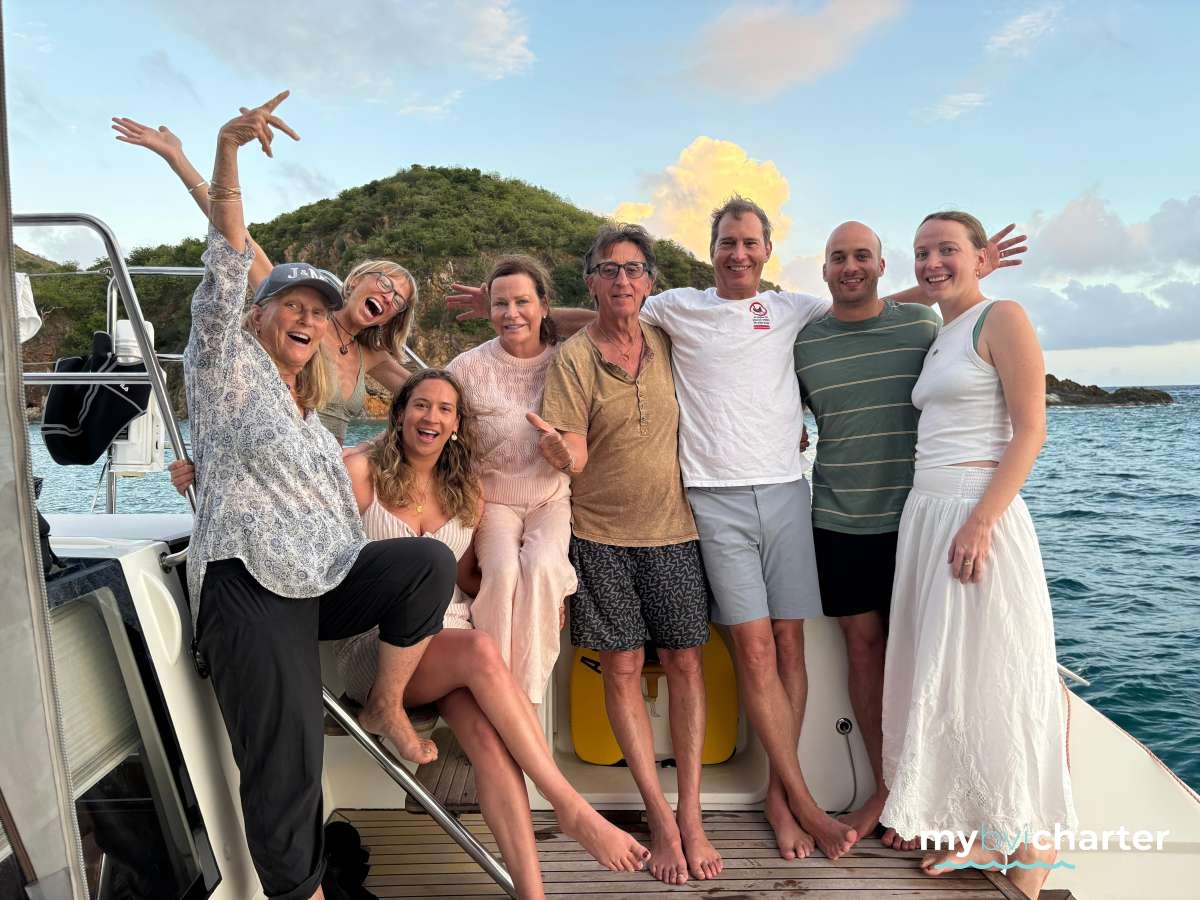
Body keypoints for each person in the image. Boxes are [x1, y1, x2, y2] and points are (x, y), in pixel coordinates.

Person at [449, 198, 1024, 861]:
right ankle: (800, 802)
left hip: (786, 494)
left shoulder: (791, 309)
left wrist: (954, 277)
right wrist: (524, 315)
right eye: (728, 241)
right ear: (712, 249)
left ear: (767, 251)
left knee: (790, 646)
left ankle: (782, 799)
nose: (739, 252)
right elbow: (607, 310)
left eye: (750, 242)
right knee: (752, 651)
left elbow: (860, 298)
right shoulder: (677, 309)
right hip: (708, 502)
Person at [185, 93, 455, 900]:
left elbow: (416, 413)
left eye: (318, 313)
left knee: (425, 565)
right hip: (249, 584)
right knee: (289, 757)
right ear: (259, 315)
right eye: (293, 307)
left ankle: (386, 705)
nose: (308, 319)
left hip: (321, 578)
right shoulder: (226, 366)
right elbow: (226, 257)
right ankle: (299, 892)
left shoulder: (305, 406)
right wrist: (225, 152)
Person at [335, 370, 650, 898]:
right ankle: (570, 808)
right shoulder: (360, 472)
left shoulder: (466, 491)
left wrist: (546, 596)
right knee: (480, 647)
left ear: (457, 424)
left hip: (448, 640)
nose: (431, 417)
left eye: (445, 409)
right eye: (421, 405)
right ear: (400, 412)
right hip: (378, 645)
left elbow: (466, 581)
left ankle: (532, 894)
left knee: (489, 743)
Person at [880, 211, 1075, 899]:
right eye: (921, 252)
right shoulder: (942, 330)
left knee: (1000, 673)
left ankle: (1033, 850)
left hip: (974, 514)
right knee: (954, 673)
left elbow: (1031, 430)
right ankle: (985, 830)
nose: (931, 262)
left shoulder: (1003, 318)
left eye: (947, 250)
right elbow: (885, 300)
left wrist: (982, 521)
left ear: (982, 258)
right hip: (928, 514)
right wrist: (946, 272)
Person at [537, 225, 721, 886]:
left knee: (686, 662)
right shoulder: (573, 360)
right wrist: (562, 452)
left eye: (634, 269)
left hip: (676, 531)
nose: (622, 280)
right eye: (609, 270)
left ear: (650, 282)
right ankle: (660, 818)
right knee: (619, 668)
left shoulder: (669, 339)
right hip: (600, 537)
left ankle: (691, 813)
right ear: (591, 281)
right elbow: (573, 445)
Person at [112, 115, 415, 443]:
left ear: (392, 317)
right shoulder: (294, 314)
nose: (389, 297)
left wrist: (372, 452)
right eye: (385, 283)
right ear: (355, 282)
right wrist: (177, 159)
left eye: (398, 300)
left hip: (331, 469)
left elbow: (437, 394)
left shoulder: (372, 356)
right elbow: (235, 235)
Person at [445, 256, 577, 705]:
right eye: (500, 303)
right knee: (500, 574)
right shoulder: (468, 367)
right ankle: (494, 699)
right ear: (488, 309)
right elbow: (438, 420)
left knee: (542, 568)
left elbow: (604, 322)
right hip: (493, 500)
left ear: (544, 306)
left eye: (523, 301)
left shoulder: (567, 361)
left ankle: (525, 703)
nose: (511, 313)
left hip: (549, 498)